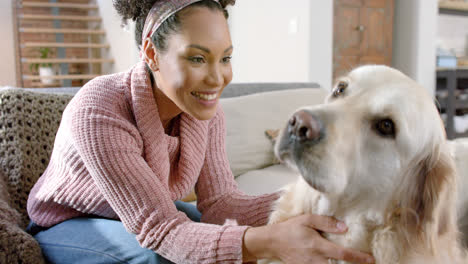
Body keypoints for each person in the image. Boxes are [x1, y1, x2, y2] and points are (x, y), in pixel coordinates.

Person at [26, 0, 375, 263]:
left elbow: (222, 204)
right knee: (161, 257)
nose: (217, 79)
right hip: (67, 223)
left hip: (141, 213)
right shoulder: (99, 109)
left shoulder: (205, 111)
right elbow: (162, 230)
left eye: (225, 58)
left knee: (220, 235)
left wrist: (316, 199)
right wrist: (268, 241)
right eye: (197, 58)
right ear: (151, 52)